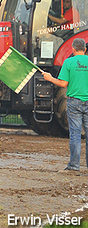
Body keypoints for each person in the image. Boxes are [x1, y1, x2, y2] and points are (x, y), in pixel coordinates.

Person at [43, 38, 88, 174]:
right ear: (85, 49)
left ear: (73, 49)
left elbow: (63, 84)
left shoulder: (68, 62)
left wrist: (50, 78)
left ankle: (74, 166)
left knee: (75, 134)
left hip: (74, 102)